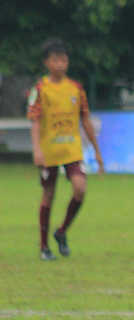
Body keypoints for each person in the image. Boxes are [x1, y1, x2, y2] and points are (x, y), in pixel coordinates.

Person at [27, 39, 104, 261]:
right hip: (49, 151)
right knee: (48, 195)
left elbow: (86, 120)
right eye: (56, 60)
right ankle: (44, 247)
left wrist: (97, 151)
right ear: (47, 63)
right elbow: (34, 121)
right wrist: (37, 150)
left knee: (80, 189)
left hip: (72, 150)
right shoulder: (41, 89)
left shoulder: (76, 88)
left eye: (64, 60)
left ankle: (61, 232)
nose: (61, 64)